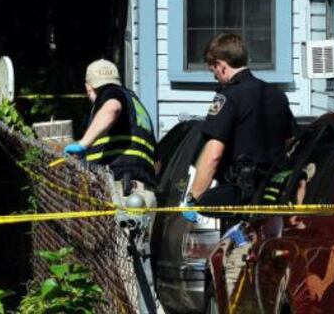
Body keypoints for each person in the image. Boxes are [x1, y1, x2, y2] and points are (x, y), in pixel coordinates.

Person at [63, 59, 160, 313]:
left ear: (88, 87)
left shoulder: (112, 96)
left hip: (126, 193)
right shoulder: (138, 108)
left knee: (128, 273)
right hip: (143, 191)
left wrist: (83, 144)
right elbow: (156, 161)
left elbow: (111, 109)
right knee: (141, 274)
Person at [181, 33, 296, 222]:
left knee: (237, 249)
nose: (216, 77)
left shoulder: (229, 97)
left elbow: (214, 154)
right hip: (276, 195)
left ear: (221, 65)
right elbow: (291, 145)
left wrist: (194, 197)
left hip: (241, 198)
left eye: (214, 72)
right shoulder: (277, 96)